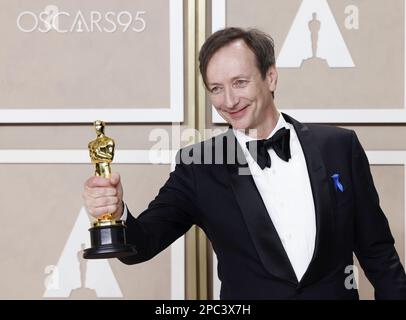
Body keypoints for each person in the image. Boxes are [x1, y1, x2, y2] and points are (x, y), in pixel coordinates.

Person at [83, 27, 406, 299]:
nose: (229, 101)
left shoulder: (339, 146)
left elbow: (376, 249)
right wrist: (116, 213)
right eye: (216, 89)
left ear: (271, 77)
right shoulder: (197, 165)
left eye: (240, 82)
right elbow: (143, 246)